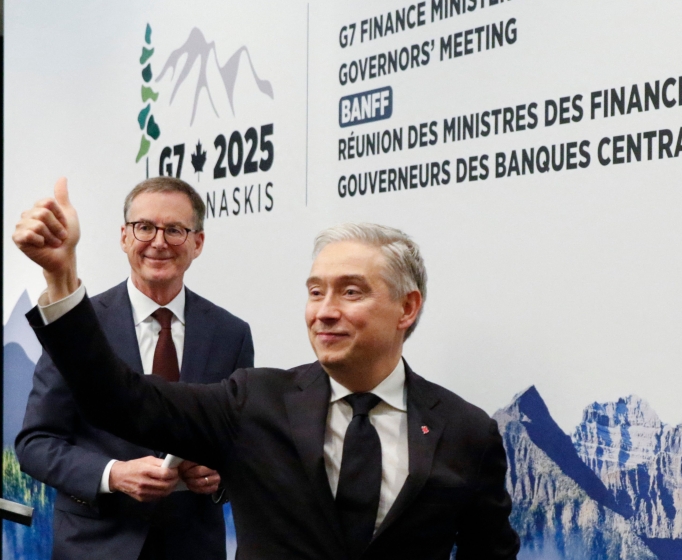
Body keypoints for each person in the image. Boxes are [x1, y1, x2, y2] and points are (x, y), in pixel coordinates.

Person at [13, 178, 520, 560]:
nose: (324, 310)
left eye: (350, 291)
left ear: (406, 309)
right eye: (315, 291)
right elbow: (118, 399)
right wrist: (61, 278)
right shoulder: (256, 401)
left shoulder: (467, 433)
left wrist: (216, 477)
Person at [14, 177, 254, 560]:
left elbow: (242, 445)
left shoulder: (231, 334)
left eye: (175, 230)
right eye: (145, 227)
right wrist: (112, 474)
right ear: (124, 237)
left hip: (193, 548)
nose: (158, 242)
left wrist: (217, 474)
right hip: (94, 546)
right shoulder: (77, 326)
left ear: (198, 243)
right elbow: (35, 443)